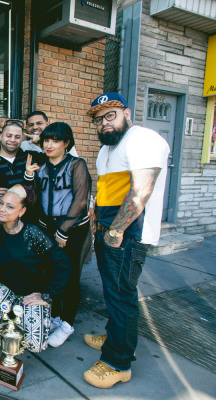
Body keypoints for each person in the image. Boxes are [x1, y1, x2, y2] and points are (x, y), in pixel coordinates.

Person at [82, 92, 169, 388]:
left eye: (110, 115)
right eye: (98, 119)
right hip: (108, 230)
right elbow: (107, 189)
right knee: (112, 291)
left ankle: (118, 362)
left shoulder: (142, 139)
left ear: (127, 113)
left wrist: (116, 231)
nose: (103, 123)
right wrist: (96, 219)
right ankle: (115, 335)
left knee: (122, 295)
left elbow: (141, 190)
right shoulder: (109, 147)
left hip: (127, 233)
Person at [0, 184, 72, 353]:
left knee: (34, 345)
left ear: (22, 212)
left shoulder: (33, 234)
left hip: (31, 294)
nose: (2, 209)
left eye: (10, 206)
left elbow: (63, 264)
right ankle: (14, 319)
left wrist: (47, 295)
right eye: (1, 203)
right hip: (5, 289)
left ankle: (33, 318)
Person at [24, 122, 92, 348]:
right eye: (46, 140)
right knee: (50, 273)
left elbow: (80, 200)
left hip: (73, 228)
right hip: (47, 227)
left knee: (70, 275)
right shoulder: (40, 165)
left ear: (67, 143)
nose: (49, 145)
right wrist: (28, 177)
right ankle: (56, 316)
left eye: (55, 140)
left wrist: (63, 231)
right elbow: (32, 201)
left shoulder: (76, 165)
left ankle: (67, 324)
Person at [0, 120, 42, 218]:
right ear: (1, 137)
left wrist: (41, 140)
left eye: (17, 137)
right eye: (9, 135)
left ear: (22, 139)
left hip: (26, 220)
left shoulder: (30, 157)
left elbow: (57, 155)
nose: (13, 140)